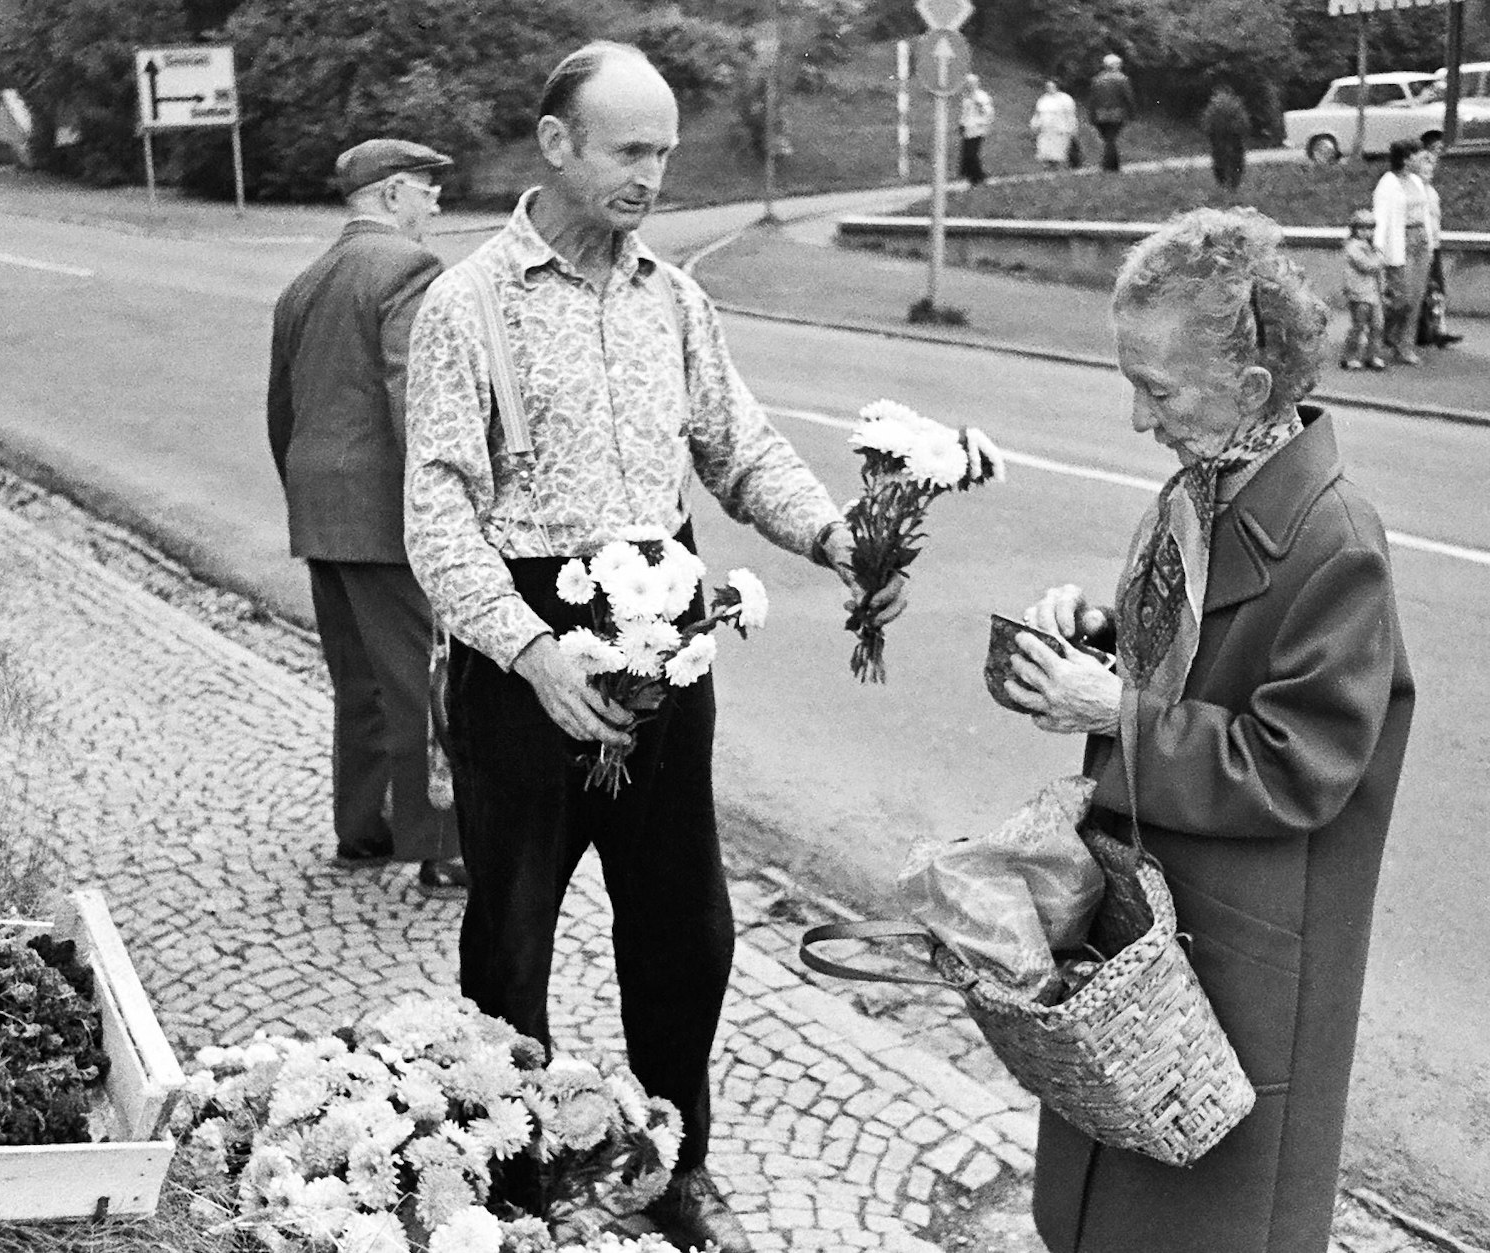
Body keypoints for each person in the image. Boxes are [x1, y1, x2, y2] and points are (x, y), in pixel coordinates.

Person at [405, 41, 1001, 1252]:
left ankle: (671, 1160)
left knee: (687, 928)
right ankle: (505, 1167)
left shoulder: (671, 298)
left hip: (667, 635)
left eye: (665, 152)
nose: (652, 176)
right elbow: (433, 513)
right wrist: (528, 649)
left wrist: (838, 539)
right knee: (508, 934)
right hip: (525, 655)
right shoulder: (466, 305)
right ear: (556, 143)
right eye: (629, 150)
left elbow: (739, 450)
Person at [1003, 207, 1414, 1253]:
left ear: (1248, 387)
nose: (1139, 419)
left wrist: (1114, 712)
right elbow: (1183, 661)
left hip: (1242, 958)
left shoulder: (1334, 539)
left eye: (1156, 389)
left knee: (1209, 1225)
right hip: (1163, 927)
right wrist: (1098, 638)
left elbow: (1295, 766)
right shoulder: (1207, 479)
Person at [266, 137, 467, 890]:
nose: (436, 201)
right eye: (425, 187)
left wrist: (310, 491)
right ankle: (442, 849)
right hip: (387, 512)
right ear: (389, 196)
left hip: (320, 508)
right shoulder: (409, 271)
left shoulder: (304, 283)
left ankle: (362, 831)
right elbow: (413, 394)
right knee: (421, 679)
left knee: (359, 678)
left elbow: (281, 409)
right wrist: (445, 506)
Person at [1372, 138, 1437, 365]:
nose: (1422, 158)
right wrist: (1378, 247)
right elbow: (1380, 217)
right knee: (1402, 299)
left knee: (1417, 299)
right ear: (1406, 158)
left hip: (1421, 242)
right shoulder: (1388, 183)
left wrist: (1430, 242)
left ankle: (1405, 345)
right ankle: (1384, 334)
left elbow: (1426, 212)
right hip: (1401, 243)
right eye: (1417, 154)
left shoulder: (1417, 182)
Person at [1415, 136, 1464, 349]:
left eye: (1431, 170)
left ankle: (1439, 329)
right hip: (1422, 246)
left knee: (1437, 290)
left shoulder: (1431, 192)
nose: (1429, 174)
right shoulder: (1416, 193)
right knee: (1425, 290)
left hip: (1434, 245)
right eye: (1425, 171)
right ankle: (1425, 331)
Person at [1340, 208, 1389, 371]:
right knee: (1359, 325)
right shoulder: (1353, 247)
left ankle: (1373, 355)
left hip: (1374, 292)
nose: (1366, 232)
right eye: (1361, 229)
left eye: (1369, 229)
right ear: (1354, 230)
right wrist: (1380, 259)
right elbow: (1368, 265)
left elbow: (1378, 270)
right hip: (1359, 293)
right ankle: (1351, 356)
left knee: (1378, 325)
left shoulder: (1371, 247)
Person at [1087, 53, 1137, 173]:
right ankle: (1109, 166)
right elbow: (1128, 98)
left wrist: (1091, 115)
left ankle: (1112, 165)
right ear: (1115, 65)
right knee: (1111, 139)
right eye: (1119, 64)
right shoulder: (1122, 79)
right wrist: (1132, 113)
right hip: (1116, 113)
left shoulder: (1097, 79)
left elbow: (1092, 99)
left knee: (1108, 139)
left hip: (1100, 114)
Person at [1199, 85, 1250, 192]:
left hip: (1226, 141)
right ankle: (1230, 184)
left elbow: (1207, 124)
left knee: (1226, 162)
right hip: (1225, 141)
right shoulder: (1234, 106)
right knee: (1230, 162)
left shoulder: (1215, 107)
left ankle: (1227, 184)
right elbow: (1244, 124)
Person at [1030, 80, 1079, 170]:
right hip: (1046, 129)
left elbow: (1070, 114)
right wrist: (1035, 124)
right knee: (1045, 148)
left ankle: (1059, 165)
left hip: (1059, 128)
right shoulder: (1043, 99)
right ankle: (1048, 165)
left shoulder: (1065, 99)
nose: (1049, 89)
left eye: (1051, 86)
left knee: (1059, 148)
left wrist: (1071, 126)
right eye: (1047, 87)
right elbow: (1038, 113)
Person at [959, 73, 995, 186]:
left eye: (971, 83)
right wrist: (961, 123)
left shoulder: (981, 96)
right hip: (968, 128)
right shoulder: (966, 97)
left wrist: (982, 120)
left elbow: (988, 112)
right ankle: (971, 177)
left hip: (978, 129)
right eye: (967, 83)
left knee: (972, 153)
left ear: (976, 84)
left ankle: (978, 177)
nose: (968, 85)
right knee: (966, 153)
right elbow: (965, 113)